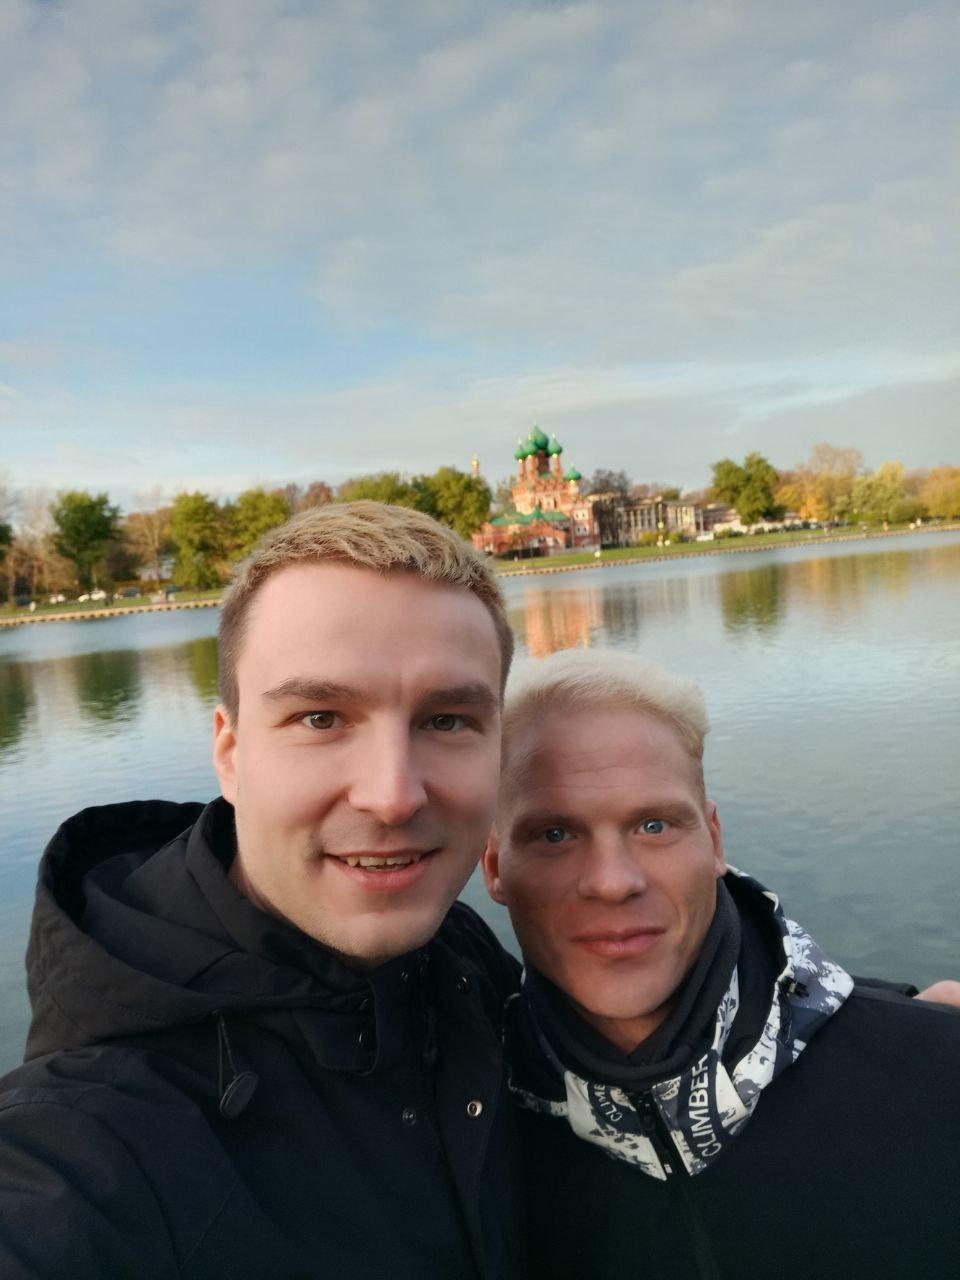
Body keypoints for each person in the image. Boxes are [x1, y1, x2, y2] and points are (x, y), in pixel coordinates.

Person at [0, 502, 524, 1280]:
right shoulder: (88, 1141)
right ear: (230, 753)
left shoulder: (456, 954)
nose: (393, 797)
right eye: (320, 717)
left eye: (447, 721)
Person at [482, 647, 960, 1280]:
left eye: (654, 825)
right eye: (554, 834)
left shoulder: (934, 1074)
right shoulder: (467, 1133)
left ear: (713, 840)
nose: (612, 882)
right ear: (495, 867)